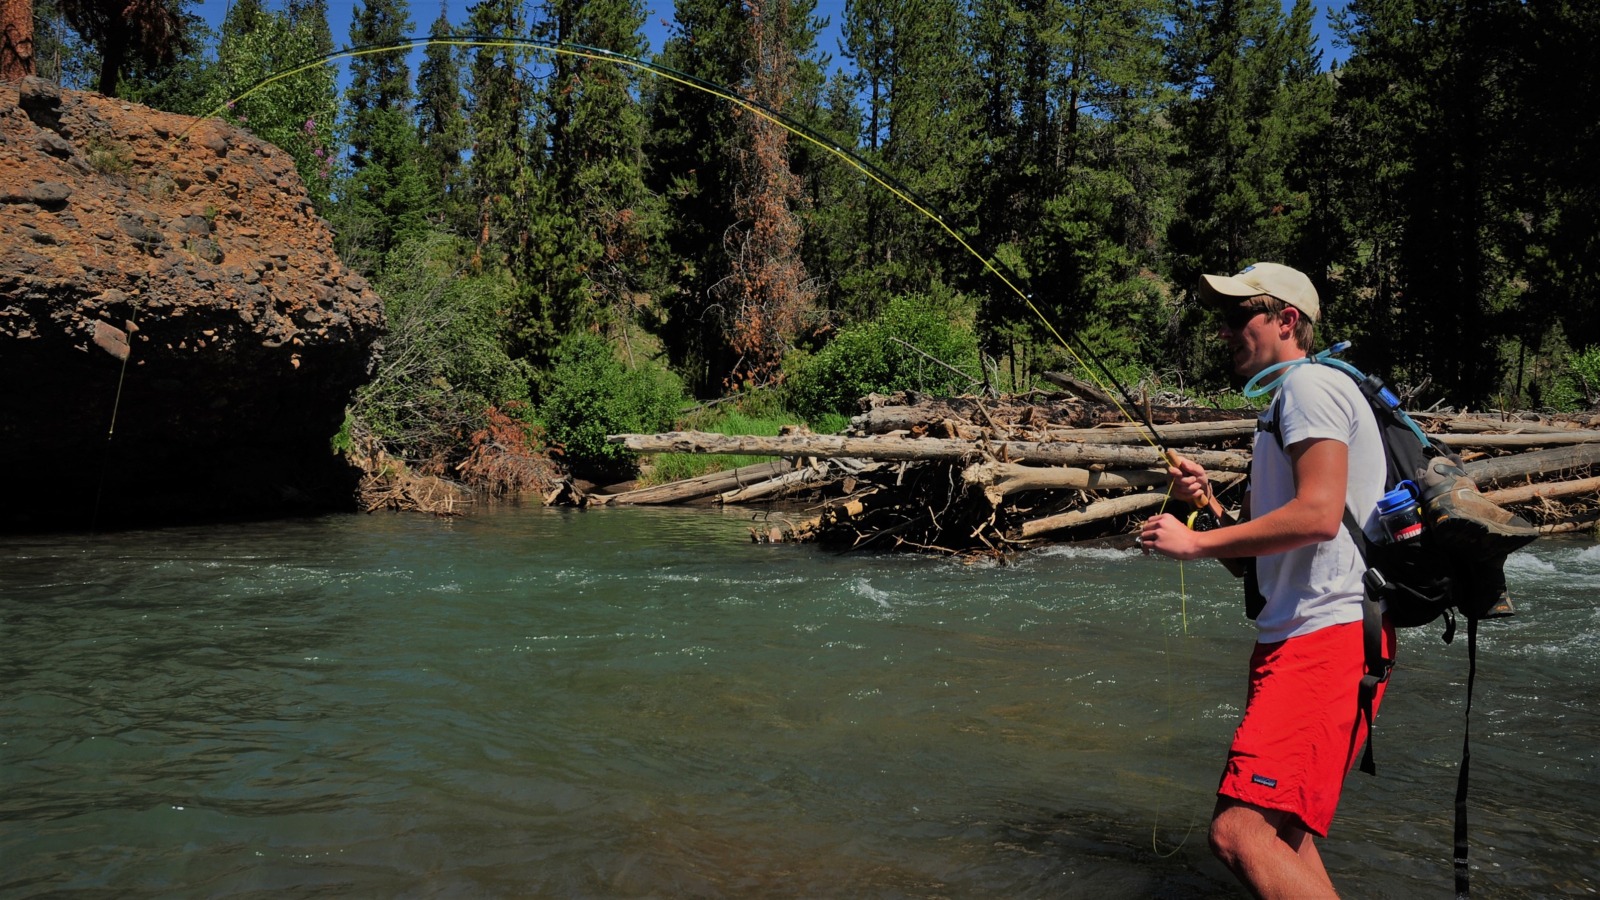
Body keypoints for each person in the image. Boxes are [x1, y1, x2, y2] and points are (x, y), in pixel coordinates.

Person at [1137, 262, 1395, 899]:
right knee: (1283, 839)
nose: (1223, 332)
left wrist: (1194, 542)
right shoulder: (1291, 400)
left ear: (1286, 321)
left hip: (1326, 642)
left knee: (1238, 834)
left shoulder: (1310, 389)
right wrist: (1207, 509)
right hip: (1308, 640)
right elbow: (1266, 563)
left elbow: (1318, 514)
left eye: (1236, 316)